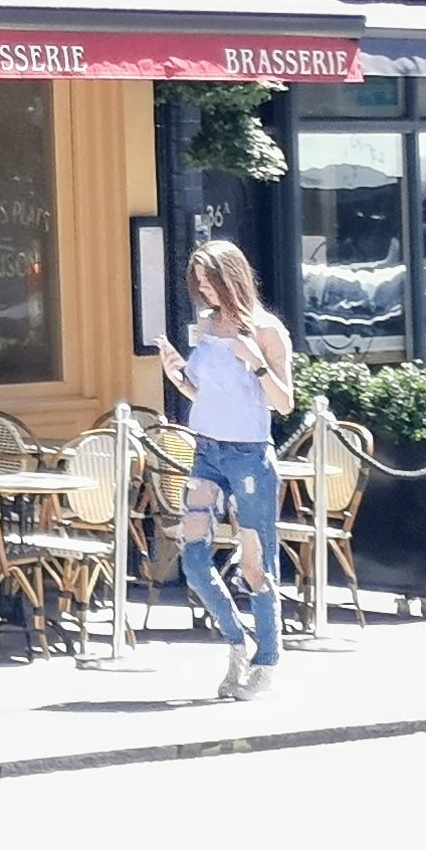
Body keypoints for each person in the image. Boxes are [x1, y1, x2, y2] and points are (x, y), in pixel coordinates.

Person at [160, 239, 294, 703]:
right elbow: (206, 395)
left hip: (250, 456)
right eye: (198, 284)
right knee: (194, 558)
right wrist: (178, 375)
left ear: (230, 278)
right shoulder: (205, 327)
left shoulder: (267, 330)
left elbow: (284, 402)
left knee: (256, 563)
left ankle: (268, 661)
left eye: (210, 282)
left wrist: (256, 363)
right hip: (207, 452)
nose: (204, 291)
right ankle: (236, 640)